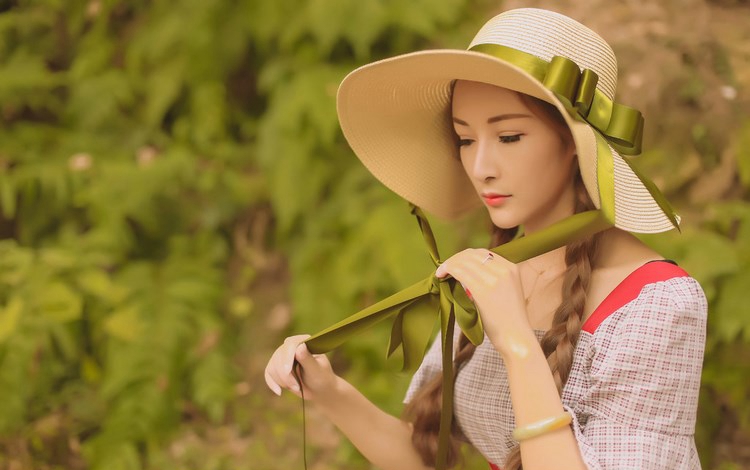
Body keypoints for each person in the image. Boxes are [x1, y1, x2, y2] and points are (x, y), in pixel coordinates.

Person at [264, 8, 707, 470]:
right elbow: (426, 457)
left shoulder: (658, 305)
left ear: (574, 142)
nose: (480, 168)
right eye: (465, 140)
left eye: (509, 136)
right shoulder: (491, 274)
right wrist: (329, 391)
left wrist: (516, 341)